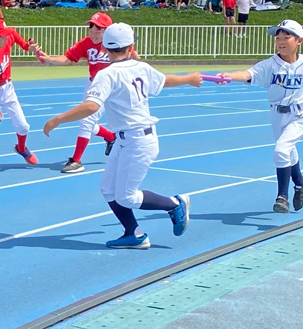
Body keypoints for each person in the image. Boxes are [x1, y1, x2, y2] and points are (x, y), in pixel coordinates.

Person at [43, 23, 200, 249]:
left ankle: (174, 204)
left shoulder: (106, 75)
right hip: (127, 139)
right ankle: (134, 233)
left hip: (138, 140)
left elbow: (90, 106)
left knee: (126, 196)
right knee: (108, 188)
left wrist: (58, 119)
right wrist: (189, 78)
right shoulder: (141, 67)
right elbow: (164, 81)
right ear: (132, 45)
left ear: (105, 48)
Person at [219, 20, 303, 213]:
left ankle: (282, 197)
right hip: (277, 115)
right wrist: (230, 76)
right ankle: (300, 183)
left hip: (300, 115)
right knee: (288, 151)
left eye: (286, 37)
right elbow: (247, 74)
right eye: (277, 38)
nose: (280, 41)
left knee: (281, 150)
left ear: (299, 41)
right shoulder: (269, 65)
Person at [37, 12, 134, 173]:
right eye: (91, 28)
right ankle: (110, 137)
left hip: (113, 87)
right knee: (86, 121)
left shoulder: (116, 44)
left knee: (87, 121)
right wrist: (47, 58)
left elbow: (133, 58)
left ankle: (76, 160)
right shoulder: (86, 43)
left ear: (108, 31)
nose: (93, 33)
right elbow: (67, 58)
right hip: (94, 85)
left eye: (99, 30)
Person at [0, 14, 39, 170]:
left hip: (7, 88)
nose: (6, 37)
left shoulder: (5, 40)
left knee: (23, 126)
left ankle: (21, 148)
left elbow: (16, 38)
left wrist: (28, 47)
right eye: (2, 36)